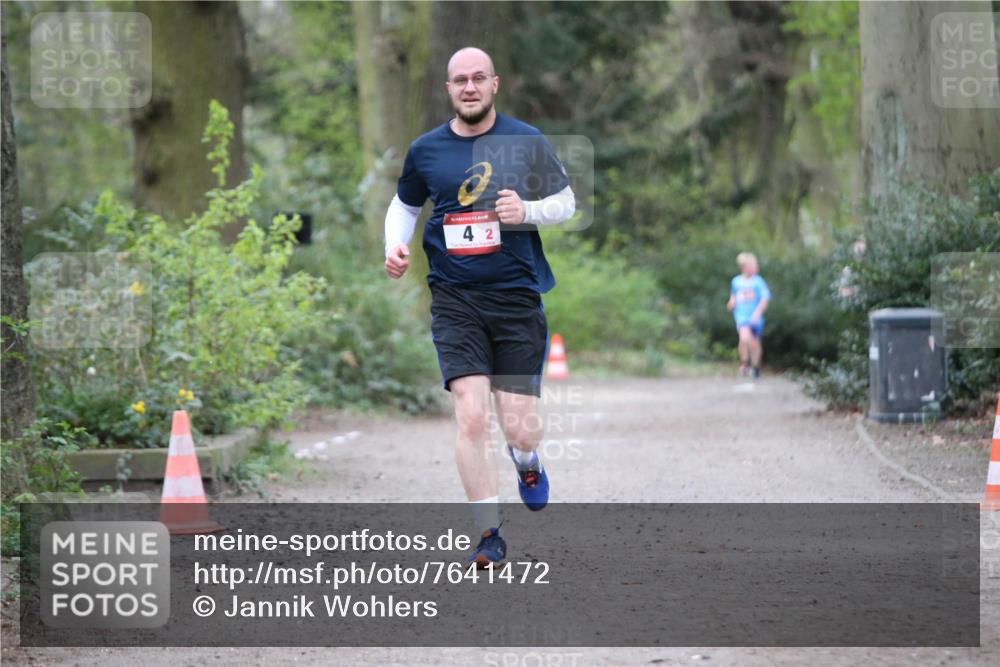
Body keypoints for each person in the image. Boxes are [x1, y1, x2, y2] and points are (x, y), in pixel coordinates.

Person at [383, 47, 576, 567]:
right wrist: (393, 246)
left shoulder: (526, 141)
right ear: (449, 89)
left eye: (477, 79)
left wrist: (528, 209)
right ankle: (488, 533)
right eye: (458, 80)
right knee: (470, 416)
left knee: (519, 426)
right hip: (454, 299)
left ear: (495, 83)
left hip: (516, 298)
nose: (468, 87)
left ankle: (527, 461)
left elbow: (568, 201)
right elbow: (404, 206)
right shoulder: (426, 150)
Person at [726, 252, 770, 380]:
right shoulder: (736, 281)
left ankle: (756, 367)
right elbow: (733, 296)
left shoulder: (759, 282)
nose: (756, 267)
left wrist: (757, 314)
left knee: (755, 342)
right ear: (744, 267)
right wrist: (731, 302)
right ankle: (744, 364)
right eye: (753, 265)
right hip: (742, 316)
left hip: (756, 318)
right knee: (744, 338)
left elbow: (764, 299)